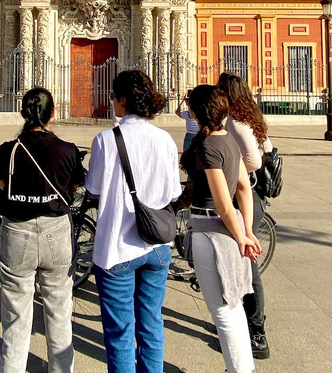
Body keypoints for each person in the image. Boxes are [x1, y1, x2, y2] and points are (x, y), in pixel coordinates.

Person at [86, 70, 182, 373]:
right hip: (157, 246)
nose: (112, 101)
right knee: (152, 323)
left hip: (117, 249)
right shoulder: (164, 139)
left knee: (119, 332)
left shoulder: (105, 140)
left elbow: (94, 189)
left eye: (114, 97)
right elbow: (174, 192)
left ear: (123, 100)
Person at [0, 87, 84, 373]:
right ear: (53, 113)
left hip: (18, 233)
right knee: (59, 312)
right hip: (56, 232)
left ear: (23, 112)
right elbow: (76, 187)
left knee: (16, 317)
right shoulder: (67, 149)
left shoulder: (10, 150)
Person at [180, 84, 261, 373]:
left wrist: (242, 237)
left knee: (222, 311)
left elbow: (223, 203)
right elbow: (243, 188)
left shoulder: (209, 147)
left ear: (198, 111)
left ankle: (240, 370)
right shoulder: (227, 139)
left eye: (190, 104)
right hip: (230, 228)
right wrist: (247, 229)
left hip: (211, 232)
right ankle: (240, 366)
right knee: (234, 303)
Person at [218, 72, 273, 360]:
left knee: (247, 266)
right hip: (251, 194)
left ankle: (257, 331)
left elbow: (254, 160)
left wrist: (233, 167)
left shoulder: (236, 123)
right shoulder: (249, 115)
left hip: (247, 198)